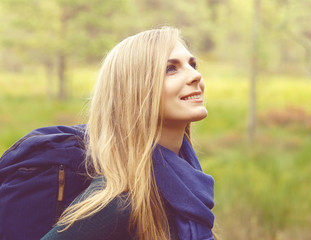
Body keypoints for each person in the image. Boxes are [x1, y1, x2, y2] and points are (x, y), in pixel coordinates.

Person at [41, 26, 216, 240]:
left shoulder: (187, 183)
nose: (196, 75)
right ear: (135, 90)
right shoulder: (117, 204)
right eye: (171, 69)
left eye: (192, 64)